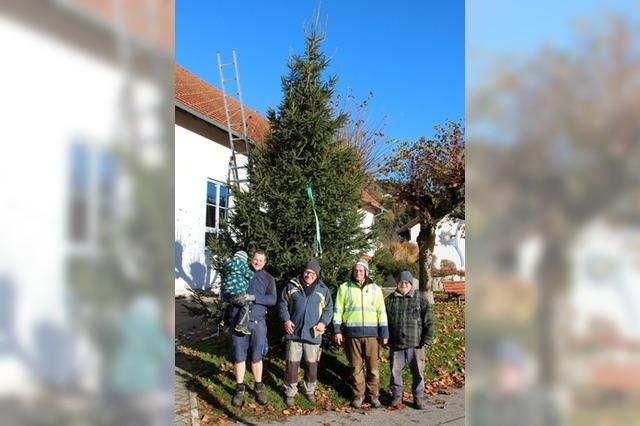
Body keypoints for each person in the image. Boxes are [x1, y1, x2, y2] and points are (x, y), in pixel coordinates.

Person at [333, 258, 388, 408]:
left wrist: (384, 333)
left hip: (372, 336)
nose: (358, 273)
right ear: (353, 272)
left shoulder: (375, 289)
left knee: (373, 369)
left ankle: (373, 396)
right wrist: (337, 331)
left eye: (361, 270)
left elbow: (381, 312)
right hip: (352, 335)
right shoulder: (344, 288)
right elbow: (338, 311)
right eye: (356, 270)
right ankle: (358, 396)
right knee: (356, 368)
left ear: (366, 272)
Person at [278, 259, 334, 407]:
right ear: (303, 272)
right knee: (292, 365)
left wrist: (323, 323)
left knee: (311, 365)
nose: (309, 275)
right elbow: (282, 303)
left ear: (317, 275)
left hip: (313, 334)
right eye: (307, 272)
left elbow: (329, 309)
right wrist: (286, 320)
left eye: (313, 273)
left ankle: (309, 391)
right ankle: (290, 392)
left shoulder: (323, 289)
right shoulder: (292, 285)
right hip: (294, 333)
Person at [228, 250, 276, 407]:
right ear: (251, 259)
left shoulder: (268, 278)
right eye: (256, 259)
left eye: (261, 260)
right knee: (239, 356)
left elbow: (273, 299)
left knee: (257, 356)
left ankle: (258, 387)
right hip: (238, 321)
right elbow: (227, 290)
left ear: (265, 262)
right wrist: (235, 298)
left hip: (258, 323)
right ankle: (239, 388)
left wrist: (254, 298)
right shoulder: (240, 271)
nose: (258, 262)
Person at [385, 270, 434, 409]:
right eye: (401, 282)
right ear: (398, 284)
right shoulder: (390, 300)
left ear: (411, 284)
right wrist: (385, 338)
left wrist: (427, 338)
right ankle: (397, 395)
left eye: (406, 282)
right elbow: (385, 322)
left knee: (418, 372)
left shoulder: (421, 299)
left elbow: (428, 321)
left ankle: (418, 397)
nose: (404, 284)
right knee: (395, 372)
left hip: (416, 344)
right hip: (396, 343)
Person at [221, 250, 254, 335]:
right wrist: (252, 274)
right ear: (244, 259)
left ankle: (223, 320)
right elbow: (250, 275)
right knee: (246, 305)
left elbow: (225, 265)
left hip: (226, 293)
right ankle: (241, 325)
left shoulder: (229, 264)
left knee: (228, 304)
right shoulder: (243, 265)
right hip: (237, 293)